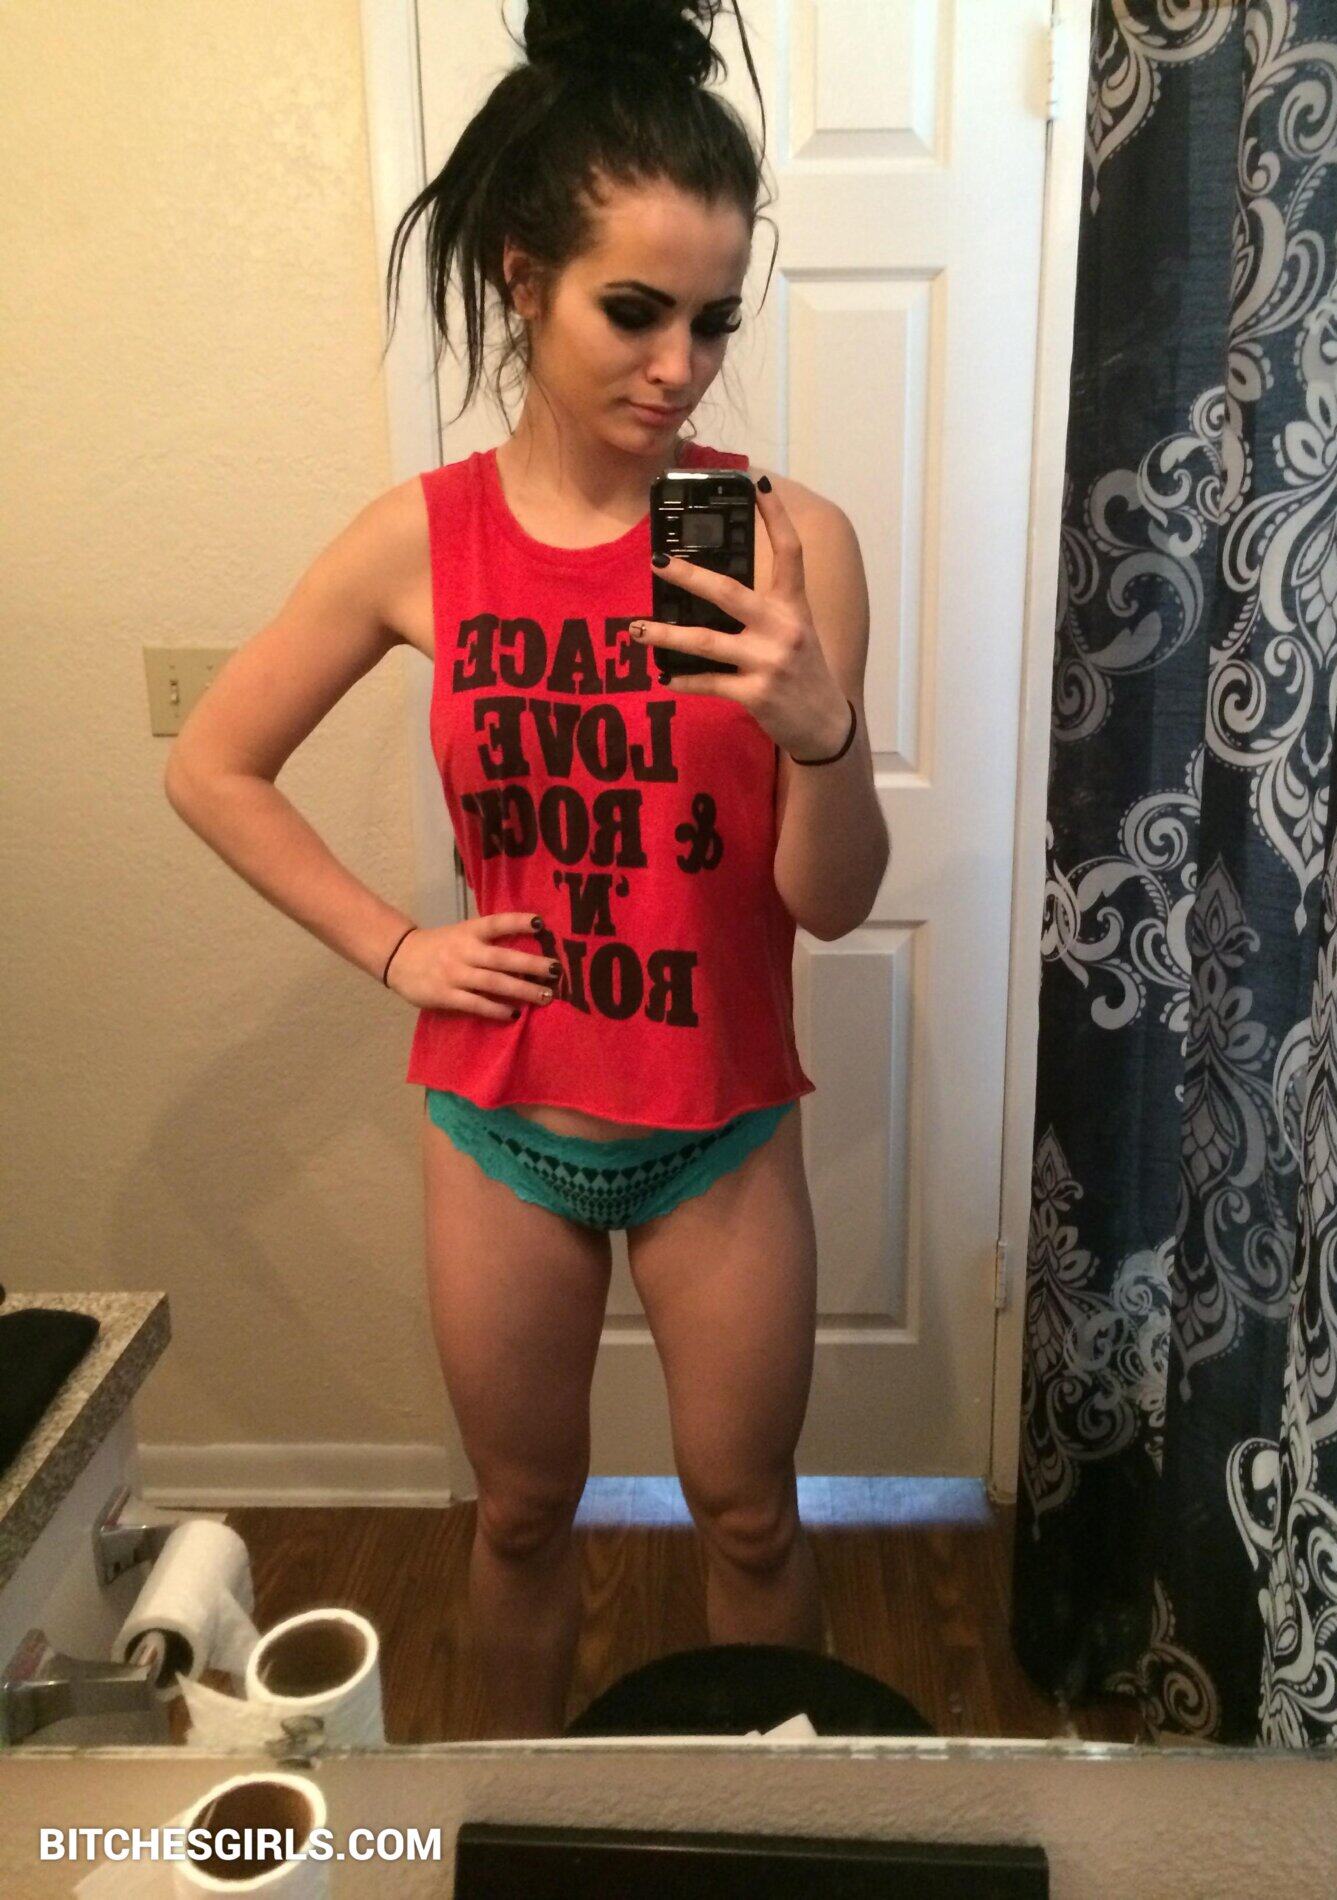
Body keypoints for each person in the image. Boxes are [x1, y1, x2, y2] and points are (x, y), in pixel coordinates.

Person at [164, 0, 888, 1738]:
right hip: (502, 1125)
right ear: (522, 278)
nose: (679, 367)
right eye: (633, 311)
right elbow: (212, 764)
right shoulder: (426, 539)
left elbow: (830, 901)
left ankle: (780, 1827)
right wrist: (395, 949)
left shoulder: (789, 540)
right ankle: (504, 1829)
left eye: (713, 320)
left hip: (720, 1125)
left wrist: (820, 730)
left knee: (747, 1515)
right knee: (517, 1516)